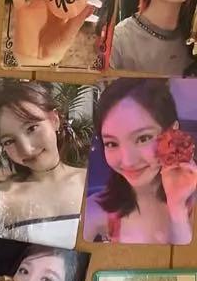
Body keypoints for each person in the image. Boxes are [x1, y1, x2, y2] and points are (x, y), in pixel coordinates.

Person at [0, 81, 87, 247]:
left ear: (54, 120)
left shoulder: (96, 184)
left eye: (32, 128)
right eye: (9, 141)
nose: (27, 149)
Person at [84, 78, 197, 244]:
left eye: (143, 138)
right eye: (111, 143)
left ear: (174, 132)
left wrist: (177, 207)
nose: (128, 161)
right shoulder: (94, 210)